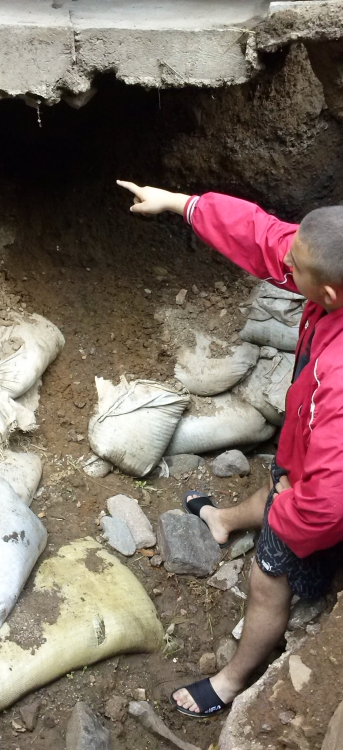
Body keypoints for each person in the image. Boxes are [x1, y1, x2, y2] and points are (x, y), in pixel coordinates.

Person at [117, 180, 343, 718]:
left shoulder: (340, 380)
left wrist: (286, 518)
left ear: (329, 295)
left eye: (296, 268)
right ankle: (222, 520)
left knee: (268, 577)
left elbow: (328, 501)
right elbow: (264, 235)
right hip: (310, 445)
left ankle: (230, 681)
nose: (285, 265)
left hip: (325, 489)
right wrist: (179, 203)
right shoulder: (332, 271)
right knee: (282, 477)